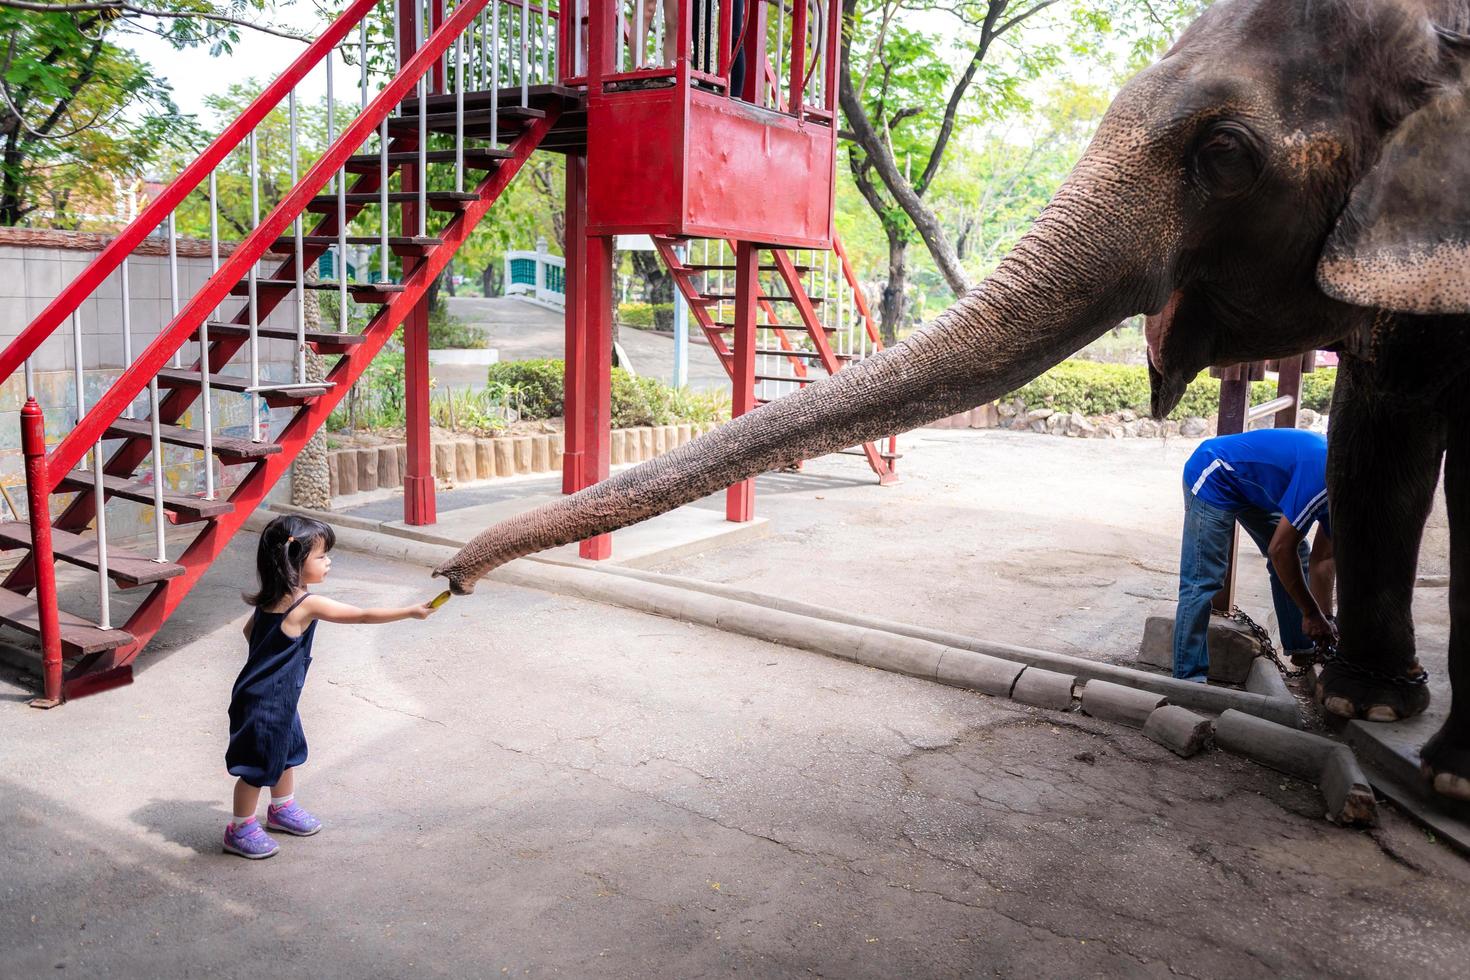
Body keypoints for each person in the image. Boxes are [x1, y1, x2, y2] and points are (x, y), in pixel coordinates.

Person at [223, 515, 439, 860]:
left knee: (285, 751)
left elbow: (250, 632)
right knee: (256, 767)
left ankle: (281, 808)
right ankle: (239, 828)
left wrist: (269, 662)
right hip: (265, 702)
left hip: (273, 696)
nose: (329, 562)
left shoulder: (273, 598)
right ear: (294, 562)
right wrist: (410, 612)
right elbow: (363, 615)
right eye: (321, 556)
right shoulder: (306, 604)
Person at [1173, 428, 1337, 682]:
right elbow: (1280, 550)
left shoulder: (1348, 494)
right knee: (1203, 579)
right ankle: (1188, 677)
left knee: (1300, 552)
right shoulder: (1325, 481)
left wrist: (1325, 619)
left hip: (1249, 485)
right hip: (1214, 471)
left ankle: (1304, 646)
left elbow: (1324, 560)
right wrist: (1312, 613)